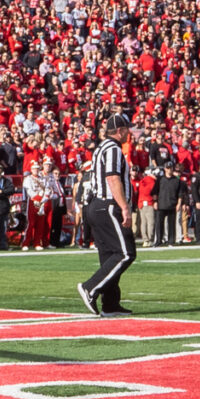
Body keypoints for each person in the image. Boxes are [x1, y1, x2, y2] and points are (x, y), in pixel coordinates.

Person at [76, 111, 138, 317]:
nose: (129, 133)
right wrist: (125, 207)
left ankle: (110, 304)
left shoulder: (101, 148)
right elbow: (112, 178)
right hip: (108, 204)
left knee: (109, 255)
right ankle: (90, 288)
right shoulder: (113, 149)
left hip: (96, 205)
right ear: (119, 131)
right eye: (127, 129)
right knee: (125, 253)